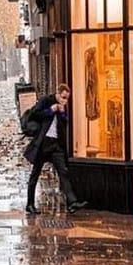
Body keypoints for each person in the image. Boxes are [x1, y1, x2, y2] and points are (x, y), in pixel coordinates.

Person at [22, 83, 88, 216]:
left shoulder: (63, 106)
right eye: (63, 97)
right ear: (57, 93)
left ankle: (72, 202)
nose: (65, 100)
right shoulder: (46, 100)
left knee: (63, 171)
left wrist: (63, 114)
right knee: (35, 173)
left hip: (56, 144)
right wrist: (51, 110)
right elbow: (35, 114)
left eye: (67, 98)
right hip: (43, 143)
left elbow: (65, 123)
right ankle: (29, 204)